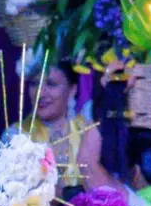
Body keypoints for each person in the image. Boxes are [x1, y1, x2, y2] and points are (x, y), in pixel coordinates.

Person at [25, 60, 97, 190]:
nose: (40, 93)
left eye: (51, 84)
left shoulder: (89, 132)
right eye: (34, 84)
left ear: (72, 90)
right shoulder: (17, 135)